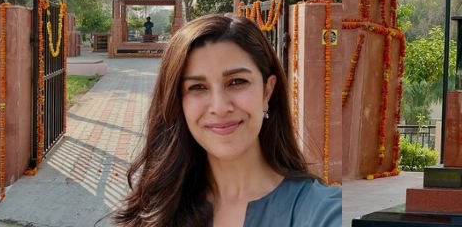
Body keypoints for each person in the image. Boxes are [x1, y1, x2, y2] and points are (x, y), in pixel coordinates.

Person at [112, 14, 341, 227]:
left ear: (267, 91)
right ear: (177, 102)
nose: (220, 108)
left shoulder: (321, 211)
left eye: (237, 82)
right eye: (197, 87)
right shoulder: (157, 207)